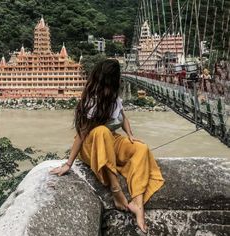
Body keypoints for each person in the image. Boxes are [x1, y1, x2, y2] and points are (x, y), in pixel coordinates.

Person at [50, 59, 165, 233]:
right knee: (102, 131)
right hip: (91, 145)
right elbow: (82, 134)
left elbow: (123, 117)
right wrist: (68, 164)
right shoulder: (92, 100)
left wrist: (131, 136)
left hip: (111, 140)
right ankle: (116, 190)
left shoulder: (114, 98)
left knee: (141, 148)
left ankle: (137, 204)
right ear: (111, 79)